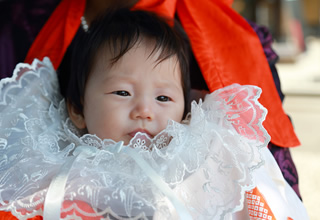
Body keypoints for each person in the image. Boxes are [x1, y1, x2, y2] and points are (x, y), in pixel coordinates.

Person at [0, 8, 308, 219]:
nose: (145, 111)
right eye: (122, 92)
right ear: (77, 109)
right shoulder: (49, 172)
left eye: (163, 97)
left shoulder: (202, 168)